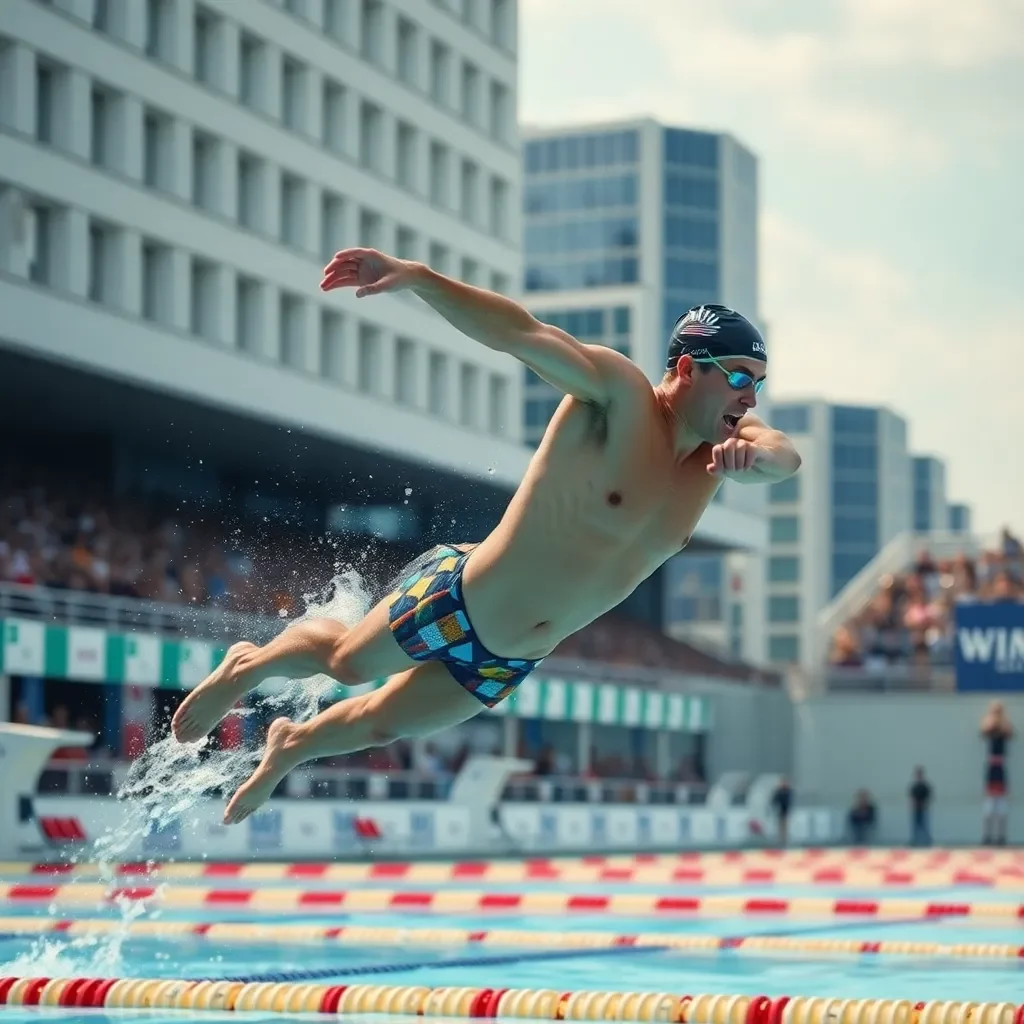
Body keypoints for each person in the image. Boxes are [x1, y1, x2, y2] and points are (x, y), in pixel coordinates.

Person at [171, 247, 800, 825]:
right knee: (348, 665)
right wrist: (419, 279)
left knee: (383, 725)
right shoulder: (620, 396)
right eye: (739, 378)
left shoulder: (720, 455)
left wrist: (756, 458)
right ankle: (249, 664)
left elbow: (783, 456)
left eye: (759, 384)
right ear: (688, 367)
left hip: (513, 656)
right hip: (461, 596)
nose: (750, 398)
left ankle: (290, 746)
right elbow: (519, 332)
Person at [981, 700, 1013, 845]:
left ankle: (1001, 837)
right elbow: (984, 730)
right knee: (988, 809)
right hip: (991, 769)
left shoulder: (1005, 727)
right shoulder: (990, 727)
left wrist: (1003, 718)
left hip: (1000, 769)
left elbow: (1009, 732)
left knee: (1002, 810)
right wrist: (992, 717)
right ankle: (987, 836)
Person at [908, 766, 932, 847]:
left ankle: (927, 841)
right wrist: (913, 805)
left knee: (924, 826)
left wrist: (923, 804)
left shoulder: (925, 786)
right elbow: (911, 797)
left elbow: (928, 797)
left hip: (923, 809)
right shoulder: (914, 787)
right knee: (915, 826)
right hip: (916, 809)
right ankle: (914, 841)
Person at [770, 777, 793, 846]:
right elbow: (774, 800)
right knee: (780, 827)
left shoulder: (788, 791)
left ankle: (784, 841)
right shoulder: (779, 791)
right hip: (779, 811)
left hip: (785, 812)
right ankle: (780, 840)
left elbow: (789, 801)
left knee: (785, 827)